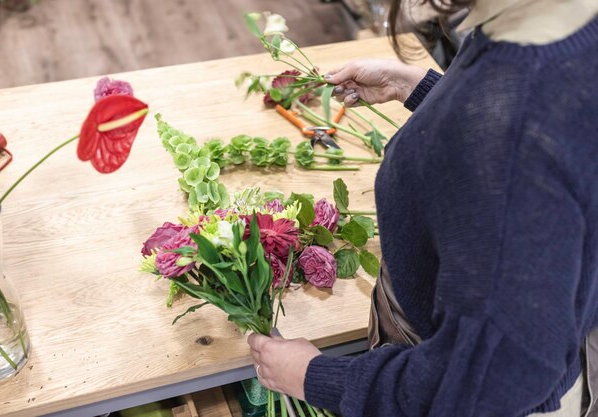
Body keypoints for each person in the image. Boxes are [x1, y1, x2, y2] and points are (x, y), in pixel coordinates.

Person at [247, 0, 598, 416]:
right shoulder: (561, 23)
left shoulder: (507, 136)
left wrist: (315, 376)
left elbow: (486, 384)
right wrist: (431, 93)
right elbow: (548, 144)